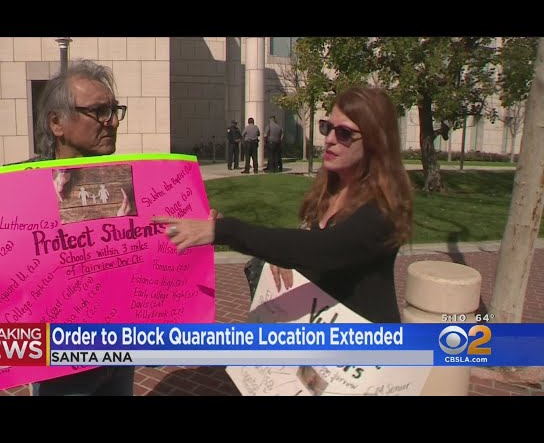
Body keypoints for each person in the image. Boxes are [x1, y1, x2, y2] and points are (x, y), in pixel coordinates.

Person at [0, 59, 135, 395]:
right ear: (57, 123)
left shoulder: (126, 178)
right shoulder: (21, 182)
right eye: (99, 111)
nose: (112, 121)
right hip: (60, 362)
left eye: (114, 110)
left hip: (120, 349)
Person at [154, 86, 413, 323]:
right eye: (327, 127)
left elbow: (325, 249)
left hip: (368, 349)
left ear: (375, 142)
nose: (329, 139)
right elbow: (304, 249)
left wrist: (225, 230)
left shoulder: (382, 211)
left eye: (344, 133)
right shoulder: (328, 193)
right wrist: (282, 257)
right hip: (325, 339)